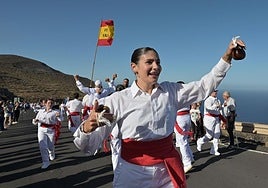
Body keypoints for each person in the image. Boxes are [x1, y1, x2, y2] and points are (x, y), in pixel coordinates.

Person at [73, 38, 246, 188]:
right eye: (149, 62)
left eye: (158, 62)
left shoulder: (171, 91)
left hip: (166, 172)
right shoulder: (116, 100)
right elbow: (88, 147)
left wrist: (227, 57)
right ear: (134, 67)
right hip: (132, 175)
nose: (156, 66)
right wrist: (87, 128)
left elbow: (203, 86)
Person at [32, 98, 62, 169]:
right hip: (41, 129)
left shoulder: (55, 112)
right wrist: (35, 121)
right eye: (48, 103)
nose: (50, 104)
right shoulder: (41, 112)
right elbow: (35, 121)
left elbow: (61, 119)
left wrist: (59, 116)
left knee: (50, 146)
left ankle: (51, 152)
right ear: (45, 104)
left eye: (51, 103)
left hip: (51, 130)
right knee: (42, 146)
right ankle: (46, 162)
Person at [196, 89, 226, 156]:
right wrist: (216, 106)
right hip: (209, 118)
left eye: (216, 91)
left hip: (217, 118)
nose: (215, 92)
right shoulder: (208, 100)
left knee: (217, 135)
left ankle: (214, 150)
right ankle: (200, 141)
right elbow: (208, 108)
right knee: (209, 135)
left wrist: (222, 118)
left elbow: (220, 110)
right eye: (214, 91)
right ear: (210, 93)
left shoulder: (218, 100)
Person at [173, 81, 194, 174]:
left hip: (180, 118)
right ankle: (191, 156)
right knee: (185, 139)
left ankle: (186, 162)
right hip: (187, 117)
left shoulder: (176, 95)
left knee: (182, 142)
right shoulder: (187, 95)